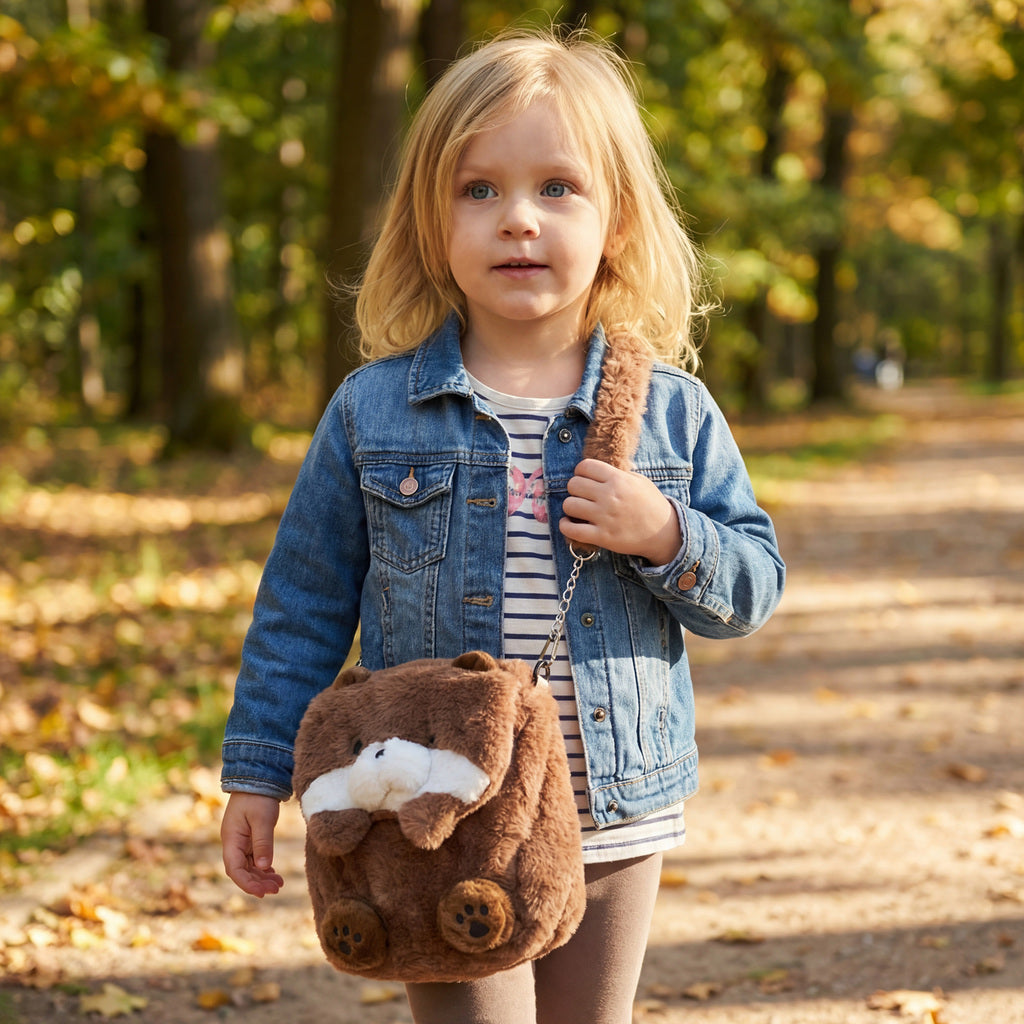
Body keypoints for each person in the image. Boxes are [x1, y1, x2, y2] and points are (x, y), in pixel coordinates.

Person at [220, 26, 785, 1024]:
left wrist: (667, 533)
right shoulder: (372, 412)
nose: (518, 218)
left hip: (614, 807)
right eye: (478, 190)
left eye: (557, 188)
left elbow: (753, 587)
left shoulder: (672, 413)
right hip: (439, 809)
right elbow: (301, 606)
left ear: (617, 220)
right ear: (432, 221)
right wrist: (259, 774)